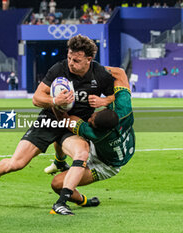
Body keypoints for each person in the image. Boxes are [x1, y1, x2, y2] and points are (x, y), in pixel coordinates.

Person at [0, 35, 115, 210]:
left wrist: (105, 101)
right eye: (69, 58)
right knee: (17, 163)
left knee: (82, 154)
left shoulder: (100, 75)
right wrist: (55, 101)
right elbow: (36, 98)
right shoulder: (59, 69)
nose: (71, 63)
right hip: (49, 121)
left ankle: (74, 200)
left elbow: (118, 95)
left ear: (89, 60)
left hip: (73, 126)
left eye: (76, 60)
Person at [48, 67, 135, 215]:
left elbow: (65, 119)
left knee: (57, 184)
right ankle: (60, 162)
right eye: (93, 116)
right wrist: (91, 68)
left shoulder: (95, 134)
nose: (89, 118)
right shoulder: (124, 107)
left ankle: (84, 201)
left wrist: (55, 102)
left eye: (91, 120)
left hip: (106, 166)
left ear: (96, 128)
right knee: (60, 137)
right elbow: (120, 72)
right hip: (116, 149)